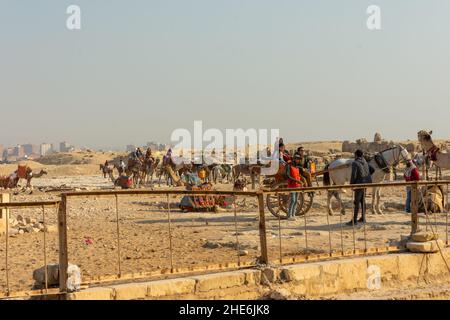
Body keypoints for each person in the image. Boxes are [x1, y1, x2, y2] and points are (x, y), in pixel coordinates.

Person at [347, 149, 375, 226]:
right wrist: (367, 176)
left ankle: (354, 220)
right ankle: (363, 218)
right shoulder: (365, 162)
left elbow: (354, 175)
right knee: (362, 200)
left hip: (359, 184)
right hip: (366, 183)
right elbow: (373, 169)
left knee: (356, 201)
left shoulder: (355, 163)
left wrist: (352, 184)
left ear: (356, 155)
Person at [286, 154, 303, 220]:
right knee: (292, 200)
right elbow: (288, 176)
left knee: (296, 200)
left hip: (297, 185)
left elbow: (298, 176)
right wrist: (296, 180)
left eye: (298, 159)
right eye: (297, 159)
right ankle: (289, 215)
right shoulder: (289, 166)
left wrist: (300, 181)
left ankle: (293, 214)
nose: (298, 160)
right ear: (294, 159)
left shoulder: (297, 167)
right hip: (292, 185)